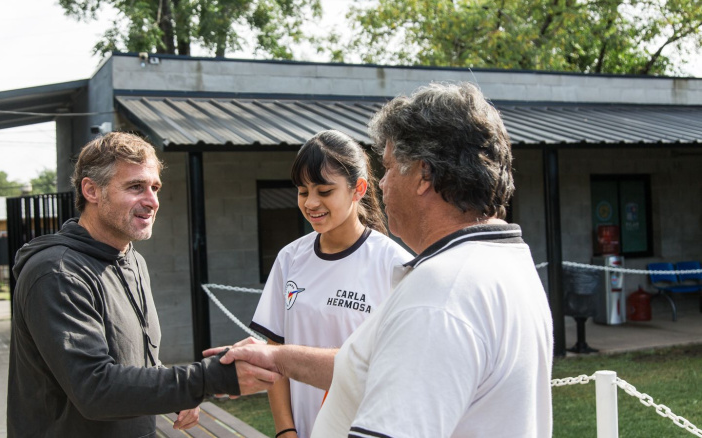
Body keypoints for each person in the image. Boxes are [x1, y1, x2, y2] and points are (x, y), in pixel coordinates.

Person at [209, 82, 554, 437]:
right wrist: (277, 359)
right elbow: (365, 366)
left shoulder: (440, 295)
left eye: (388, 167)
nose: (382, 183)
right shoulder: (506, 265)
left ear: (423, 174)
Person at [7, 132, 280, 437]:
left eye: (155, 187)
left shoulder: (133, 261)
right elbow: (94, 389)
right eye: (136, 187)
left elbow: (135, 361)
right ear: (91, 190)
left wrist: (180, 392)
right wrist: (209, 378)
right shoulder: (56, 273)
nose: (152, 201)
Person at [250, 130, 412, 438]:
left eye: (324, 191)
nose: (311, 203)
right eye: (302, 191)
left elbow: (401, 370)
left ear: (358, 189)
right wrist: (286, 431)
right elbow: (276, 353)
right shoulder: (290, 259)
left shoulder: (394, 265)